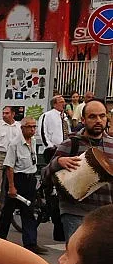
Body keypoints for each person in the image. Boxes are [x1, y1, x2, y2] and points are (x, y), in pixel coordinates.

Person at [45, 100, 112, 242]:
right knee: (77, 254)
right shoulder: (71, 144)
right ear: (83, 119)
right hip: (75, 213)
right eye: (92, 116)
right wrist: (58, 162)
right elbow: (45, 174)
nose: (98, 120)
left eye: (102, 116)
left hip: (106, 215)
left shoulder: (111, 145)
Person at [0, 117, 43, 254]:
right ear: (22, 128)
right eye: (29, 127)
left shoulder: (33, 141)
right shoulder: (15, 143)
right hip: (17, 179)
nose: (32, 129)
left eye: (34, 127)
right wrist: (11, 186)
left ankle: (31, 243)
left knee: (29, 212)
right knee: (7, 212)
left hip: (29, 179)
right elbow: (9, 167)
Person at [38, 94, 69, 161]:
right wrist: (49, 147)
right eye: (61, 102)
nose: (64, 104)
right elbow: (42, 132)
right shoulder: (47, 115)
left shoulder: (64, 116)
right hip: (52, 150)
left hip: (65, 149)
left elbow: (68, 130)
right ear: (54, 105)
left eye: (64, 102)